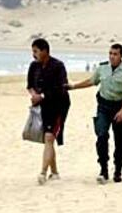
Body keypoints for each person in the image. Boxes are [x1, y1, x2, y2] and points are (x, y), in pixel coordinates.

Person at [67, 43, 122, 184]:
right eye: (110, 53)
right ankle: (103, 169)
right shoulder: (102, 68)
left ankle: (118, 169)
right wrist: (74, 86)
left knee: (120, 140)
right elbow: (91, 81)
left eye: (115, 54)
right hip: (104, 107)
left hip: (120, 107)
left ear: (121, 56)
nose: (112, 56)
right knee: (101, 136)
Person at [26, 38, 70, 185]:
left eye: (36, 51)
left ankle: (43, 172)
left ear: (45, 51)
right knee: (47, 139)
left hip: (59, 106)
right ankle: (55, 172)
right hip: (41, 106)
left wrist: (42, 96)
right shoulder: (34, 66)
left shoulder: (58, 66)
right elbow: (30, 85)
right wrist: (34, 95)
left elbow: (61, 87)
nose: (34, 54)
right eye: (33, 51)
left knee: (49, 138)